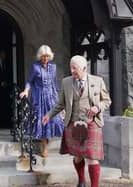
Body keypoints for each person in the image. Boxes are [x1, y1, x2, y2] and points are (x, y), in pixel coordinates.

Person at [42, 55, 111, 187]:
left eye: (75, 68)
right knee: (78, 156)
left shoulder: (98, 81)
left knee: (92, 157)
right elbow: (60, 104)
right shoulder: (66, 82)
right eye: (71, 68)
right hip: (73, 123)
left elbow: (107, 100)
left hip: (92, 123)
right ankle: (81, 181)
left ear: (84, 68)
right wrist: (49, 115)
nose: (72, 71)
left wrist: (98, 107)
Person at [19, 45, 64, 158]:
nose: (45, 58)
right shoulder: (35, 67)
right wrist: (26, 91)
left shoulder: (53, 67)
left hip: (51, 96)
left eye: (47, 56)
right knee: (42, 121)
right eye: (43, 56)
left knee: (53, 120)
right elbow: (29, 81)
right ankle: (44, 148)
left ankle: (48, 144)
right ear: (40, 56)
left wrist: (59, 100)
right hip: (39, 97)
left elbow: (54, 83)